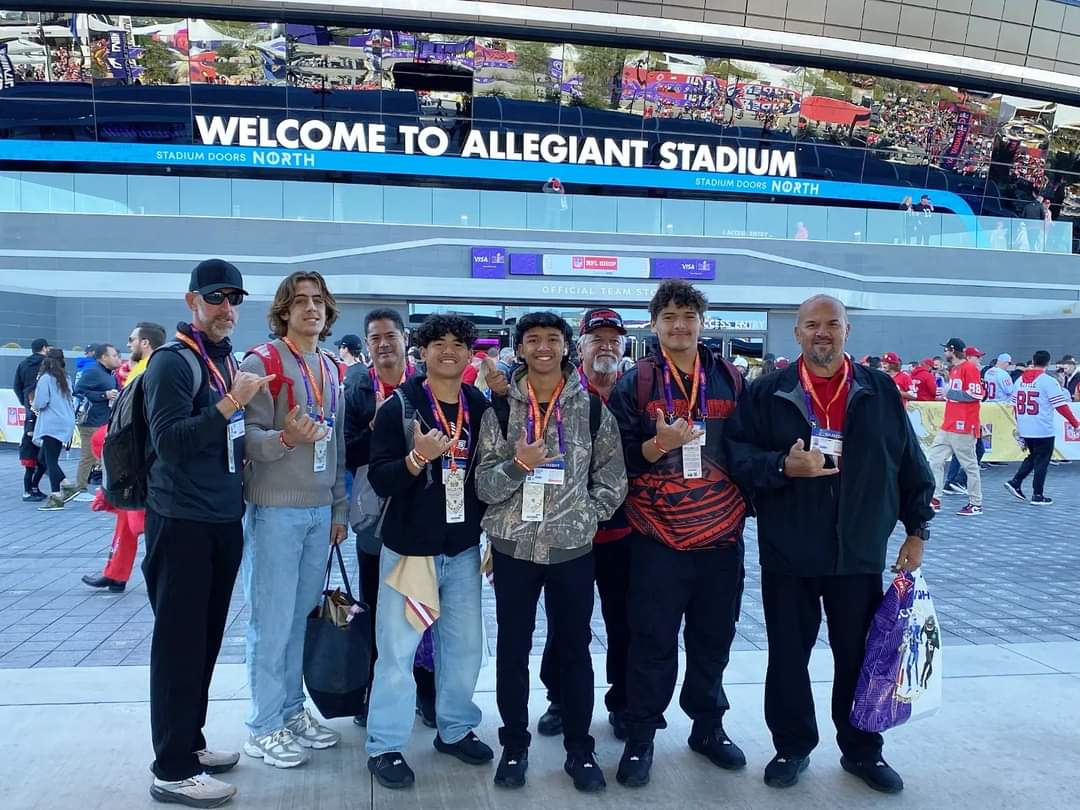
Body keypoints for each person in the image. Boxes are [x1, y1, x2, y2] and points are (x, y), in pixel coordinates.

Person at [726, 293, 934, 795]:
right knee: (788, 656)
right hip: (789, 552)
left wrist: (916, 529)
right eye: (812, 325)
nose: (823, 333)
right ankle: (792, 746)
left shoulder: (879, 389)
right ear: (796, 333)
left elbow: (908, 462)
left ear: (847, 332)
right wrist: (781, 466)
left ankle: (863, 750)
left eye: (833, 324)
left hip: (859, 552)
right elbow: (736, 455)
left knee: (861, 656)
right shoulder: (767, 391)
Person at [475, 311, 626, 794]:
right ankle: (514, 746)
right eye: (533, 340)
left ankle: (580, 751)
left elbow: (612, 477)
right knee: (513, 649)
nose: (543, 347)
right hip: (514, 549)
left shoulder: (593, 409)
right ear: (519, 349)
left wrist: (586, 515)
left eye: (553, 339)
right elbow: (483, 484)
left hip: (572, 550)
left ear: (566, 347)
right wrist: (520, 464)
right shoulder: (499, 410)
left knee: (575, 649)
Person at [607, 280, 750, 789]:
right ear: (654, 324)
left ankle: (708, 727)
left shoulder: (731, 378)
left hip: (720, 539)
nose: (679, 325)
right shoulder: (636, 382)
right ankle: (642, 737)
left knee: (714, 640)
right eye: (669, 316)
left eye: (688, 315)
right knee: (652, 643)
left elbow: (750, 452)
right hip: (655, 539)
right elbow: (615, 458)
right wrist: (656, 445)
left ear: (702, 322)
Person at [142, 258, 274, 807]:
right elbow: (169, 441)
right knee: (178, 645)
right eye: (216, 297)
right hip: (181, 521)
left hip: (222, 518)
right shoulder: (173, 364)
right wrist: (230, 403)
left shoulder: (221, 360)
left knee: (205, 640)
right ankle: (171, 767)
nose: (227, 308)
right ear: (191, 300)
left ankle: (189, 744)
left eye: (236, 299)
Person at [365, 314, 494, 790]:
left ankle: (455, 729)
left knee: (463, 650)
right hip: (409, 551)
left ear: (468, 354)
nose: (448, 351)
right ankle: (385, 745)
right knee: (396, 654)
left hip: (461, 548)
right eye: (437, 343)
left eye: (458, 344)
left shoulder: (478, 405)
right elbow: (380, 478)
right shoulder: (400, 405)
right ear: (422, 352)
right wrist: (417, 458)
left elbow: (487, 475)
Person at [238, 271, 348, 768]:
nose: (311, 308)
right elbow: (247, 439)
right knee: (271, 621)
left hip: (318, 509)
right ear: (284, 310)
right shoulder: (262, 362)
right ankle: (263, 726)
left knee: (298, 621)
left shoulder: (330, 366)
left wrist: (338, 508)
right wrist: (285, 439)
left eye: (318, 300)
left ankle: (289, 709)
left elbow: (337, 443)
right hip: (276, 508)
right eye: (300, 301)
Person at [537, 307, 631, 740]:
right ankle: (561, 699)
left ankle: (623, 699)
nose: (606, 347)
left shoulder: (637, 393)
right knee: (565, 620)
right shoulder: (561, 393)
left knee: (624, 619)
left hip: (625, 532)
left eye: (614, 339)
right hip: (568, 534)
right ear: (581, 347)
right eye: (598, 340)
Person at [343, 308, 436, 728]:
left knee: (425, 610)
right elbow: (347, 451)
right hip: (374, 518)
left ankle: (427, 693)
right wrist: (376, 428)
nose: (383, 344)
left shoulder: (427, 385)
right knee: (378, 607)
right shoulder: (357, 387)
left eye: (390, 336)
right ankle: (375, 691)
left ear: (405, 340)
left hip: (422, 515)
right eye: (374, 337)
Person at [82, 322, 167, 592]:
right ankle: (116, 573)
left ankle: (123, 574)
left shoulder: (152, 371)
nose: (128, 344)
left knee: (138, 519)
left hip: (147, 463)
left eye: (132, 339)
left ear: (145, 343)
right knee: (127, 517)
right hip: (138, 460)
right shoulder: (142, 370)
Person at [1004, 350, 1080, 505]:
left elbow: (1015, 406)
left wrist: (1019, 425)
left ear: (1033, 361)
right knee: (1042, 461)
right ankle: (1037, 494)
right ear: (1047, 363)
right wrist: (1075, 423)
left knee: (1034, 456)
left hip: (1026, 424)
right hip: (1042, 427)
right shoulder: (1047, 381)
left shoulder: (1019, 380)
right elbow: (1061, 406)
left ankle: (1016, 481)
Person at [925, 338, 984, 516]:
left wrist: (949, 393)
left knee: (969, 465)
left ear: (952, 350)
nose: (945, 353)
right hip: (950, 424)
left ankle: (976, 503)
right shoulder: (955, 369)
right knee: (935, 459)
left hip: (964, 424)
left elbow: (977, 394)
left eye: (946, 350)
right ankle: (935, 498)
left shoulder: (968, 368)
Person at [72, 343, 122, 497]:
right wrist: (103, 395)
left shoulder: (110, 373)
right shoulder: (93, 371)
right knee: (88, 455)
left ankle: (105, 486)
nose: (117, 358)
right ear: (103, 357)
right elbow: (79, 391)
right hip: (91, 421)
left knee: (103, 456)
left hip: (104, 420)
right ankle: (80, 488)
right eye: (114, 355)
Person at [32, 349, 77, 512]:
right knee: (43, 458)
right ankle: (66, 484)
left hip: (52, 422)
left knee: (49, 460)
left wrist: (34, 405)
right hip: (65, 420)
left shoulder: (45, 379)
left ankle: (56, 496)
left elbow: (41, 402)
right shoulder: (66, 377)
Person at [943, 345, 988, 494]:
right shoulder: (966, 369)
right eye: (977, 356)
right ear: (968, 357)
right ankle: (957, 481)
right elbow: (976, 395)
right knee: (972, 452)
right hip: (965, 418)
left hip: (966, 417)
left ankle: (953, 481)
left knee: (968, 450)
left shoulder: (960, 370)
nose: (980, 359)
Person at [14, 338, 50, 502]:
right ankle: (31, 489)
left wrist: (25, 402)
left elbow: (17, 386)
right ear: (44, 348)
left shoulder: (23, 364)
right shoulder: (48, 364)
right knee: (43, 453)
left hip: (30, 408)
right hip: (45, 409)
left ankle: (32, 488)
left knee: (31, 450)